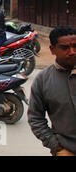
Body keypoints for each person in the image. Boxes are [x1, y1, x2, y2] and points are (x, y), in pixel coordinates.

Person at [28, 26, 76, 156]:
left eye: (75, 46)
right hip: (67, 150)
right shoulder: (43, 80)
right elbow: (35, 118)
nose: (72, 52)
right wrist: (56, 147)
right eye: (65, 48)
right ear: (52, 49)